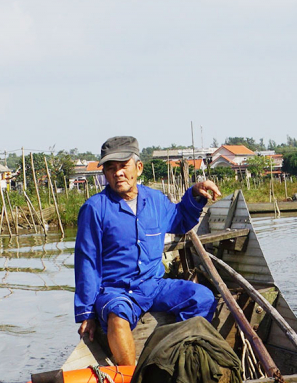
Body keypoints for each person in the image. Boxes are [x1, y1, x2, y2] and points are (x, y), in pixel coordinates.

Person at [74, 136, 222, 366]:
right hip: (116, 290)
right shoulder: (94, 209)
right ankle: (131, 382)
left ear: (139, 168)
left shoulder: (155, 200)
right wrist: (86, 314)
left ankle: (178, 361)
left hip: (154, 285)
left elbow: (180, 221)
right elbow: (87, 263)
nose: (118, 173)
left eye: (123, 166)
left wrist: (195, 193)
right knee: (117, 316)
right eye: (111, 169)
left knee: (202, 298)